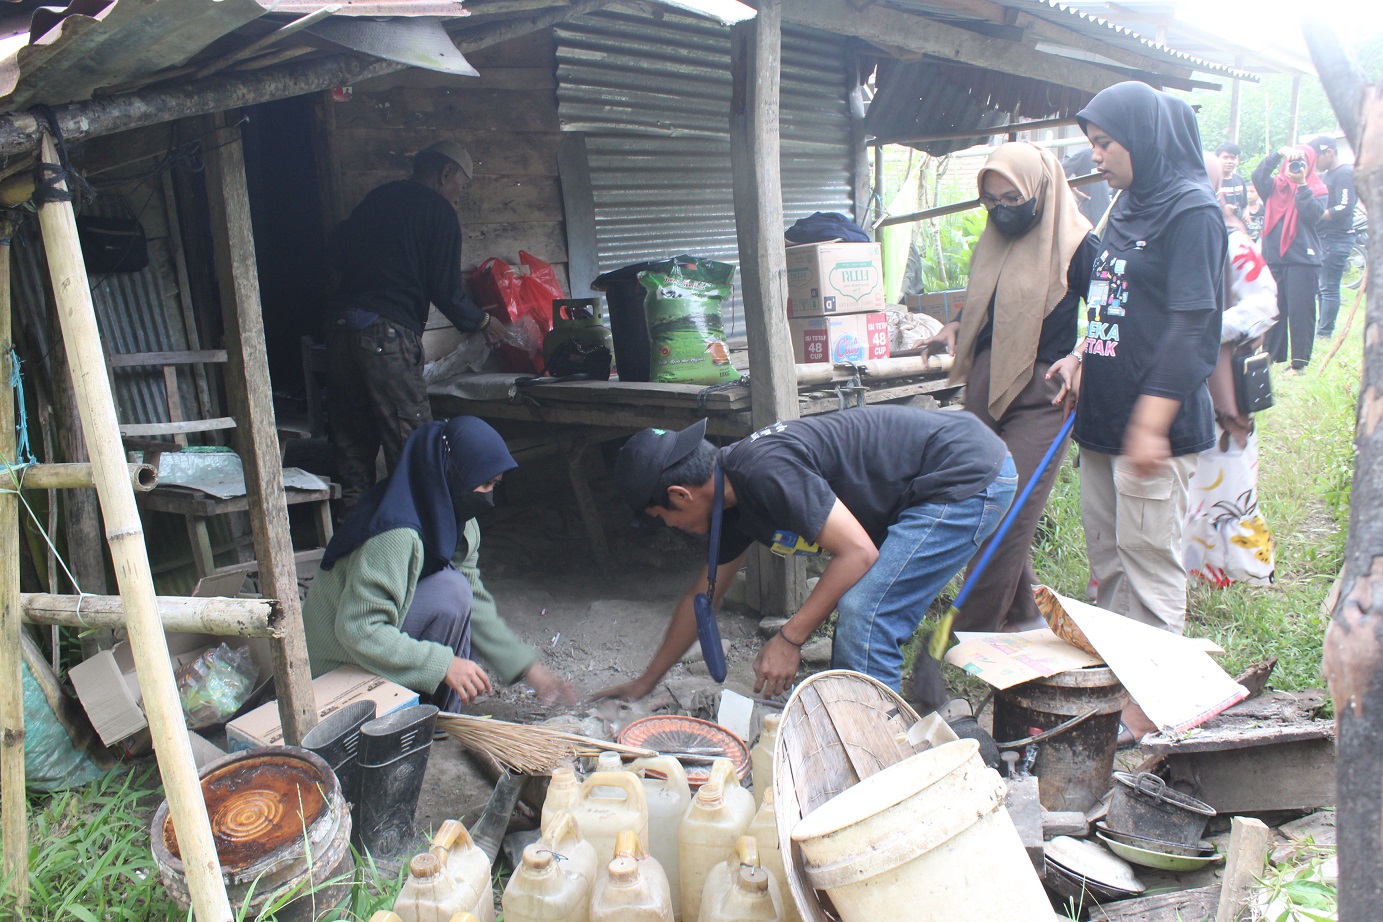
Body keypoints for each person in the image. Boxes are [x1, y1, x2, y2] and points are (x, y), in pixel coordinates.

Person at [593, 408, 1017, 712]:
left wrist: (790, 639)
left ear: (679, 495)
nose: (672, 527)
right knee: (865, 610)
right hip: (939, 472)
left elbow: (858, 553)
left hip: (963, 472)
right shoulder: (729, 504)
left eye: (663, 518)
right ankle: (864, 725)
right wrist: (646, 682)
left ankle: (877, 758)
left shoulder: (762, 470)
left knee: (867, 613)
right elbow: (701, 597)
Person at [923, 142, 1096, 633]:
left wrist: (1081, 355)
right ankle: (1024, 615)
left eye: (1012, 200)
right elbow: (989, 294)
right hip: (987, 378)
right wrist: (959, 325)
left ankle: (963, 634)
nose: (1001, 211)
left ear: (1040, 191)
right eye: (991, 201)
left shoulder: (1079, 244)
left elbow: (1109, 313)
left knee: (1006, 510)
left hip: (1045, 391)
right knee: (979, 495)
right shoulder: (995, 239)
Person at [302, 417, 576, 710]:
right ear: (451, 473)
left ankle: (436, 714)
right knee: (451, 590)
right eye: (485, 484)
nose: (490, 497)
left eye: (495, 484)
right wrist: (442, 664)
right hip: (337, 661)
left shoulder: (459, 523)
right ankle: (419, 710)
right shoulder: (395, 533)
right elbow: (358, 629)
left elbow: (475, 602)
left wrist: (528, 668)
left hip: (371, 639)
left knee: (457, 591)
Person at [325, 141, 505, 511]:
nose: (459, 196)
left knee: (352, 442)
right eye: (462, 186)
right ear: (445, 174)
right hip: (385, 336)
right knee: (413, 442)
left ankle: (353, 536)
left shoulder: (377, 199)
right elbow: (447, 291)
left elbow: (336, 250)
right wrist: (483, 320)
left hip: (341, 331)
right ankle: (422, 543)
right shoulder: (438, 213)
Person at [1183, 152, 1277, 588]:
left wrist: (1205, 328)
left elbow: (1264, 303)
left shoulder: (1231, 240)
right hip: (1184, 381)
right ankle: (1195, 570)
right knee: (1192, 483)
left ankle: (1245, 573)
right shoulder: (1176, 236)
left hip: (1223, 387)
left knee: (1231, 477)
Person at [1252, 144, 1327, 374]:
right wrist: (1278, 154)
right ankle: (1272, 356)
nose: (1294, 166)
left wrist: (1302, 184)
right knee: (1273, 310)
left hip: (1302, 259)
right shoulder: (1274, 186)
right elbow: (1258, 175)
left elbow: (1313, 215)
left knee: (1300, 311)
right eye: (1293, 161)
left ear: (1310, 164)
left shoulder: (1317, 188)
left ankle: (1299, 364)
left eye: (1302, 161)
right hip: (1274, 257)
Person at [1309, 135, 1356, 339]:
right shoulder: (1328, 174)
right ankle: (1321, 328)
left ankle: (1325, 332)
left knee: (1328, 287)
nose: (1315, 163)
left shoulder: (1344, 173)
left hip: (1336, 237)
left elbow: (1345, 206)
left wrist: (1317, 215)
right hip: (1324, 237)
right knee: (1321, 287)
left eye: (1317, 157)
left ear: (1329, 152)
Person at [1062, 145, 1112, 230]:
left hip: (1105, 211)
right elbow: (1060, 173)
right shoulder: (1084, 154)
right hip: (1088, 211)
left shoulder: (1106, 156)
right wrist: (1077, 193)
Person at [1215, 142, 1249, 211]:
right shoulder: (1212, 180)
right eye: (1225, 157)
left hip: (1237, 221)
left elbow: (1245, 205)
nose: (1229, 161)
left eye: (1233, 158)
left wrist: (1246, 213)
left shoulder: (1240, 180)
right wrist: (1224, 209)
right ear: (1217, 158)